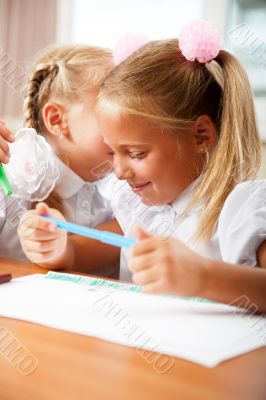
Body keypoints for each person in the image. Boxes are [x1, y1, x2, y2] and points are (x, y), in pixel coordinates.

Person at [0, 45, 121, 277]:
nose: (128, 121)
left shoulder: (130, 189)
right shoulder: (10, 180)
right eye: (109, 107)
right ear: (56, 119)